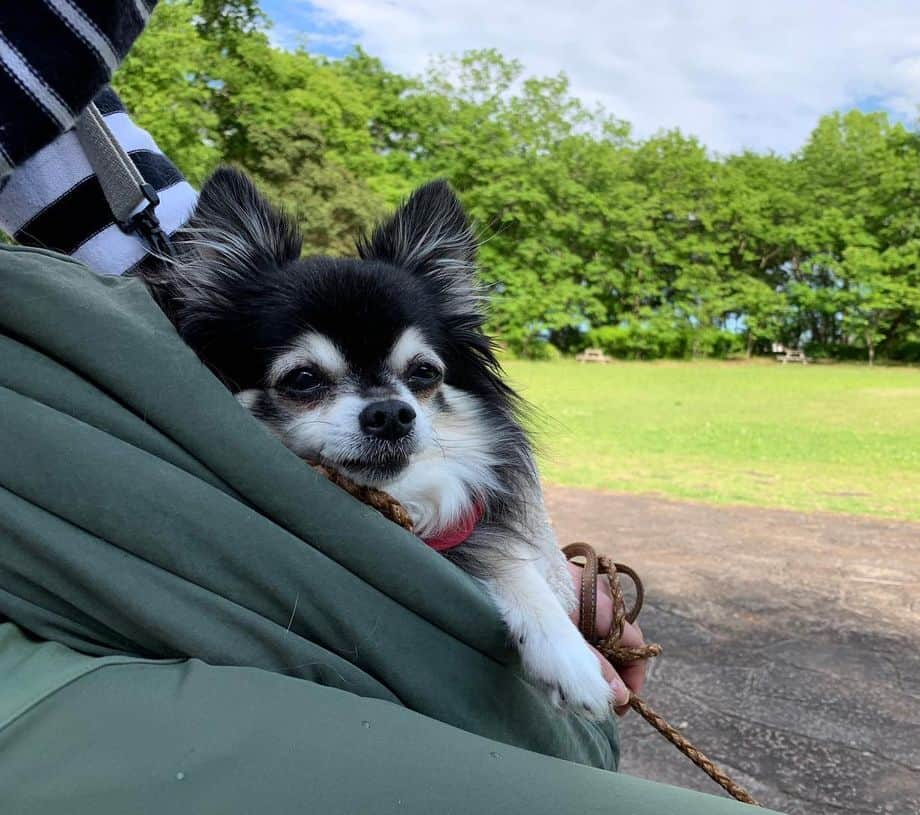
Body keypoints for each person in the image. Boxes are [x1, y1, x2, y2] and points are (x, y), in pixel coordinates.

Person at [0, 4, 759, 812]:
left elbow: (106, 182)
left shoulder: (60, 83)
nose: (389, 409)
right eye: (305, 380)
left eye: (419, 377)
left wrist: (526, 563)